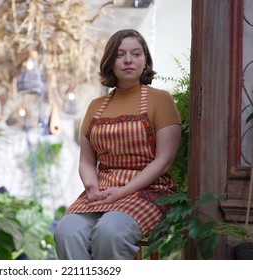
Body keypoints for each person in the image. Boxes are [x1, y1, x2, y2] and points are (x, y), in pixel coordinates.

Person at [54, 29, 181, 260]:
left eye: (136, 53)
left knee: (109, 232)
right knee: (66, 232)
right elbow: (86, 159)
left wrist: (122, 192)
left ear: (145, 60)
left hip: (149, 191)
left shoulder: (160, 100)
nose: (129, 60)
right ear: (110, 61)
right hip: (102, 191)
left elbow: (164, 162)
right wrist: (92, 186)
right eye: (120, 54)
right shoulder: (96, 106)